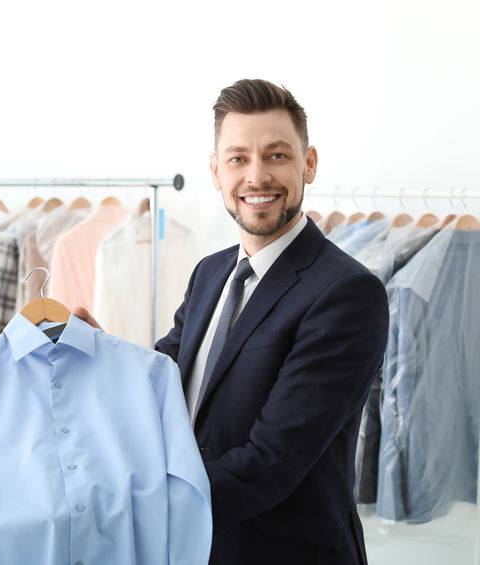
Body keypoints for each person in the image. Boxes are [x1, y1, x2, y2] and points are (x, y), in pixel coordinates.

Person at [75, 79, 389, 564]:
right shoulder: (211, 272)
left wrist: (133, 510)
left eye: (277, 156)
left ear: (309, 164)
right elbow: (163, 382)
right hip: (196, 548)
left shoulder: (346, 293)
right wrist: (97, 353)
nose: (257, 176)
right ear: (216, 171)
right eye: (238, 158)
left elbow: (271, 462)